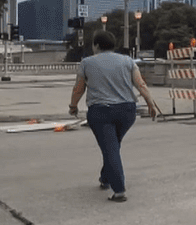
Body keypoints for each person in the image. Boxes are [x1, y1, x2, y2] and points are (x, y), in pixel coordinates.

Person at [68, 30, 159, 201]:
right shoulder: (128, 61)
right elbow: (141, 84)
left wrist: (73, 106)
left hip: (101, 112)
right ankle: (105, 178)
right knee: (112, 146)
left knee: (110, 148)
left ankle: (119, 191)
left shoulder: (87, 63)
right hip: (127, 112)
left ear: (96, 45)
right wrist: (150, 103)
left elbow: (78, 88)